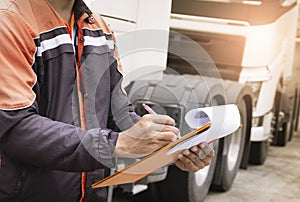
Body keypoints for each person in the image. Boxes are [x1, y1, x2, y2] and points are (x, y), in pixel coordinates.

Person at [0, 0, 214, 201]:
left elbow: (116, 112)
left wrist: (169, 144)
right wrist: (116, 144)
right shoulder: (10, 23)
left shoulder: (99, 29)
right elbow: (15, 127)